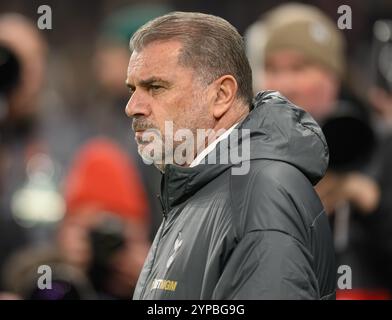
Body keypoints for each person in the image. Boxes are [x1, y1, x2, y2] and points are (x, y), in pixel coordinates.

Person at [126, 11, 335, 300]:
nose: (132, 106)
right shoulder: (199, 183)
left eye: (155, 87)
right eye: (132, 89)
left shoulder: (261, 194)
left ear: (222, 95)